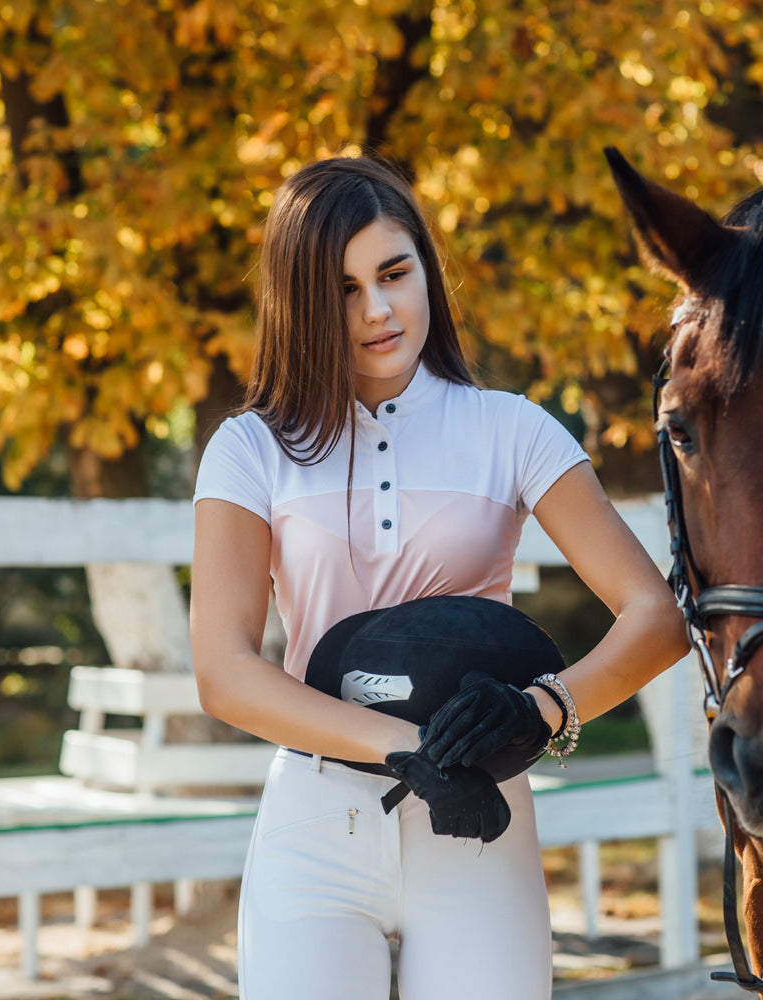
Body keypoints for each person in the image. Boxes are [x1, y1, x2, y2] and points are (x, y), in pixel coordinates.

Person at [189, 153, 688, 999]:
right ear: (302, 303)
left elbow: (657, 616)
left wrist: (545, 708)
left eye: (394, 272)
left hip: (479, 825)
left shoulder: (514, 431)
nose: (377, 309)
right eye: (343, 289)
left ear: (426, 266)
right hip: (315, 823)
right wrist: (409, 748)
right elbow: (224, 672)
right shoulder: (250, 448)